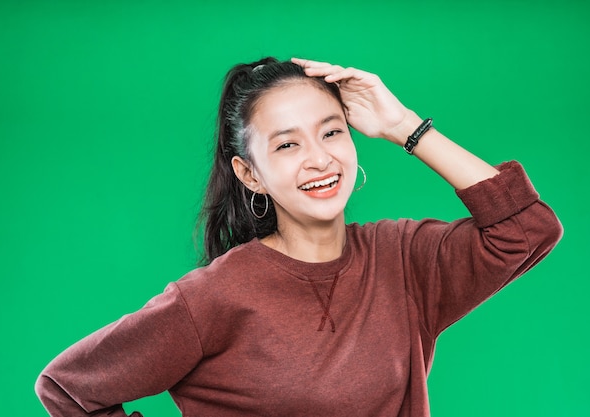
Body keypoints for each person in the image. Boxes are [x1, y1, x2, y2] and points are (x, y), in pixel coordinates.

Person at [35, 57, 563, 417]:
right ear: (250, 175)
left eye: (332, 132)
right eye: (287, 145)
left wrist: (404, 124)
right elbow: (66, 387)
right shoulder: (212, 298)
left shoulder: (404, 260)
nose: (319, 158)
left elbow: (525, 228)